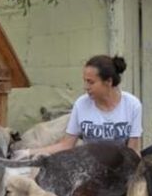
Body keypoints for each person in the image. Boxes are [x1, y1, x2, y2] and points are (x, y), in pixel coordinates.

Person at [14, 54, 142, 158]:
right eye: (85, 81)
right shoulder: (81, 104)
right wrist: (28, 153)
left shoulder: (132, 105)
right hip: (90, 164)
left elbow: (132, 150)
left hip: (121, 165)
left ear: (108, 81)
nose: (86, 87)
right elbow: (66, 145)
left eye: (91, 82)